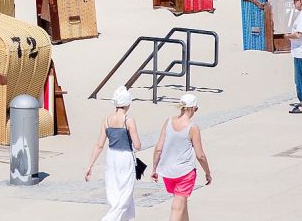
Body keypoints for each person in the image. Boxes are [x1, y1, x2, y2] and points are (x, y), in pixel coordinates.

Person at [152, 94, 212, 221]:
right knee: (177, 207)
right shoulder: (192, 127)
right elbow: (200, 155)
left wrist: (154, 169)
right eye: (196, 109)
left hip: (167, 172)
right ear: (191, 108)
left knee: (182, 203)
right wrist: (207, 172)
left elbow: (158, 148)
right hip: (184, 173)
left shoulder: (168, 121)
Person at [84, 87, 141, 221]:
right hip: (125, 157)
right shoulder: (128, 119)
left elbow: (99, 145)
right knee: (126, 191)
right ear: (127, 103)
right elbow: (137, 145)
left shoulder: (106, 120)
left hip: (111, 156)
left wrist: (89, 166)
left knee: (114, 189)